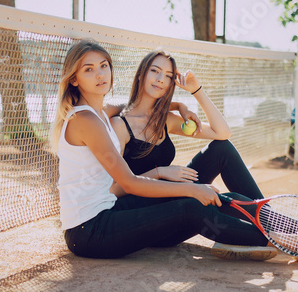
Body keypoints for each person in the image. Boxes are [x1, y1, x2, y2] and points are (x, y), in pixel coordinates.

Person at [109, 49, 298, 252]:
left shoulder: (165, 120)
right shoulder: (119, 125)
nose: (160, 79)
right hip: (150, 215)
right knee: (226, 198)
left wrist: (195, 92)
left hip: (175, 191)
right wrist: (161, 171)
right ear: (141, 74)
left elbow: (222, 133)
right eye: (155, 71)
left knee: (221, 149)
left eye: (167, 76)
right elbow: (115, 190)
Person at [52, 39, 282, 261]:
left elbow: (133, 106)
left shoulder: (102, 111)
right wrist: (189, 188)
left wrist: (179, 104)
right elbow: (129, 183)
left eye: (104, 66)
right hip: (88, 229)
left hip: (109, 208)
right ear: (74, 79)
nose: (100, 74)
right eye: (89, 70)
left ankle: (279, 228)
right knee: (191, 206)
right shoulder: (85, 120)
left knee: (223, 199)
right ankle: (276, 241)